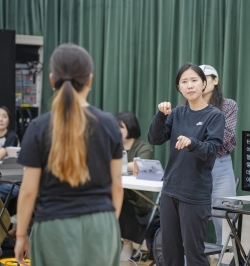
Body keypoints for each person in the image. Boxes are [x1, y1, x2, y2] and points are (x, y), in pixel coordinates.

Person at [14, 43, 124, 266]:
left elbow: (28, 191)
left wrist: (20, 235)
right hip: (101, 225)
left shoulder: (38, 127)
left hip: (54, 227)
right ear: (89, 80)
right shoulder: (109, 124)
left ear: (52, 80)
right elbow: (117, 185)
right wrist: (107, 226)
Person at [148, 62, 224, 265]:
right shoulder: (176, 113)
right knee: (170, 253)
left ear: (204, 83)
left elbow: (211, 151)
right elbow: (155, 139)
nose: (189, 85)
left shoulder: (214, 116)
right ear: (179, 87)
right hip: (170, 191)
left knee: (194, 254)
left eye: (194, 80)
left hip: (195, 194)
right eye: (184, 81)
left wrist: (192, 143)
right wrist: (160, 116)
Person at [199, 64, 237, 246]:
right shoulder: (185, 107)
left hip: (220, 164)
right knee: (191, 218)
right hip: (194, 166)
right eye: (200, 78)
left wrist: (196, 140)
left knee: (225, 218)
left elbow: (225, 136)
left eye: (207, 78)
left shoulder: (228, 105)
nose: (203, 82)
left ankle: (225, 261)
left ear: (215, 80)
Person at [115, 111, 153, 261]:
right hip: (116, 194)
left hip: (138, 199)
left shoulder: (144, 147)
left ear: (130, 127)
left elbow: (140, 165)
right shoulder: (113, 146)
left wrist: (114, 165)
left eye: (120, 127)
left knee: (124, 206)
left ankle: (127, 243)